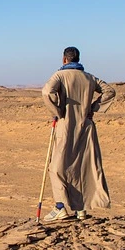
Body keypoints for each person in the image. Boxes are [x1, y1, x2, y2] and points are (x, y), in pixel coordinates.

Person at [41, 46, 116, 221]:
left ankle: (60, 206)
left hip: (66, 125)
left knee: (57, 167)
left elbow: (46, 92)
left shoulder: (59, 75)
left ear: (64, 59)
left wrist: (58, 112)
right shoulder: (89, 77)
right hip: (86, 126)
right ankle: (80, 209)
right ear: (78, 59)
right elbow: (110, 91)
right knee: (83, 166)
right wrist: (93, 108)